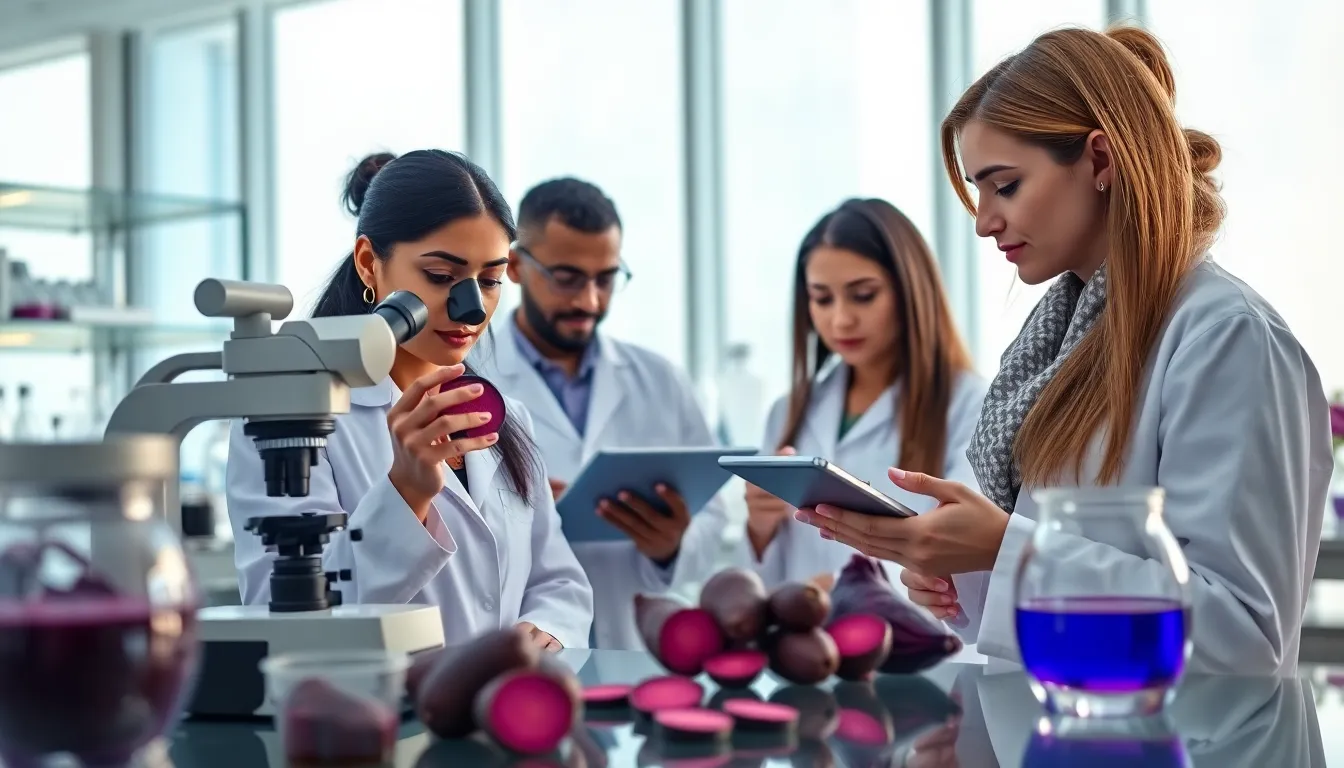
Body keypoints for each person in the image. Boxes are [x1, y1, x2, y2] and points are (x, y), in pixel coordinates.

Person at [792, 26, 1329, 674]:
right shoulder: (1062, 342)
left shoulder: (1227, 339)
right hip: (1069, 714)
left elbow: (1241, 634)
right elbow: (1081, 558)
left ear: (1101, 161)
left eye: (1005, 186)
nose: (984, 221)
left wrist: (1005, 551)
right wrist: (963, 575)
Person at [226, 151, 594, 651]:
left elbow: (559, 580)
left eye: (489, 281)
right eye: (441, 276)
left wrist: (549, 628)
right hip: (373, 696)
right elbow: (283, 614)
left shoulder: (509, 419)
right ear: (368, 263)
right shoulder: (291, 417)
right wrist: (406, 493)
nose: (472, 309)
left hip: (502, 694)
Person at [470, 177, 730, 650]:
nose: (589, 300)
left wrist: (671, 546)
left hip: (636, 644)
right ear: (516, 267)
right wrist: (523, 515)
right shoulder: (472, 378)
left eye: (605, 279)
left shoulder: (661, 381)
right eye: (567, 278)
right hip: (518, 646)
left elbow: (713, 517)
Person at [739, 198, 986, 587]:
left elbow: (962, 552)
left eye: (864, 295)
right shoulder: (788, 413)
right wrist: (759, 526)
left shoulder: (970, 405)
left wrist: (843, 587)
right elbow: (761, 585)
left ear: (909, 291)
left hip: (910, 626)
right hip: (805, 627)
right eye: (822, 299)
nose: (841, 319)